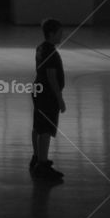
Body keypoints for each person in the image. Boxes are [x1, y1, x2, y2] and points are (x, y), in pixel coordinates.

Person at [31, 18, 66, 180]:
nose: (62, 35)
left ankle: (37, 157)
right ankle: (42, 166)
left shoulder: (40, 47)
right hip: (47, 94)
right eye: (60, 33)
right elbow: (52, 77)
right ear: (52, 34)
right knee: (45, 130)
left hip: (38, 89)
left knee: (37, 126)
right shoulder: (52, 53)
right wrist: (60, 99)